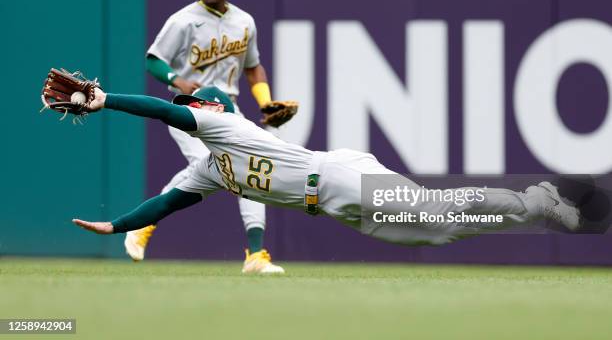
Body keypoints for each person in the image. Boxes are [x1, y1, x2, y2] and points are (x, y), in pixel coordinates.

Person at [72, 86, 583, 247]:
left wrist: (104, 100)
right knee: (438, 233)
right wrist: (116, 225)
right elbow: (168, 203)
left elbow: (163, 110)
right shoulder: (210, 166)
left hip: (339, 176)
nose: (187, 106)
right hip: (334, 204)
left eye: (194, 103)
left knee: (433, 208)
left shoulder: (223, 125)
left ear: (212, 109)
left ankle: (537, 200)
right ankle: (535, 208)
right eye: (189, 104)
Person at [135, 0, 289, 273]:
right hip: (189, 109)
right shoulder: (182, 20)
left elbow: (253, 67)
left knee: (252, 170)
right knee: (203, 166)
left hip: (229, 109)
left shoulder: (244, 21)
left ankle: (256, 255)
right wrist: (175, 79)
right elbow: (153, 59)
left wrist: (265, 102)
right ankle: (143, 223)